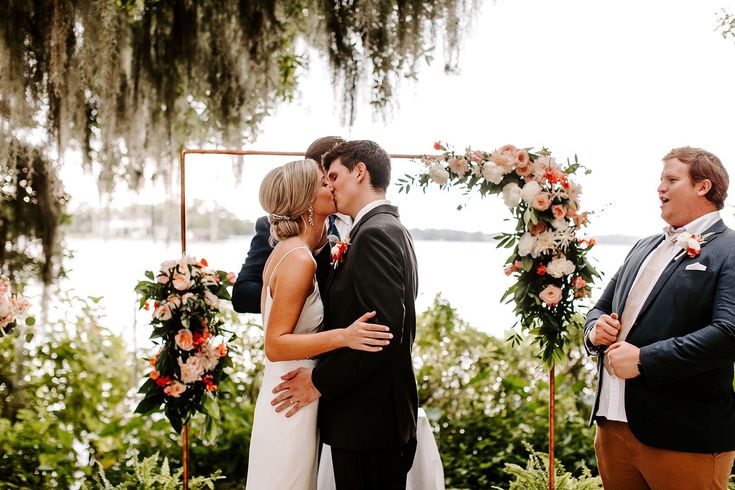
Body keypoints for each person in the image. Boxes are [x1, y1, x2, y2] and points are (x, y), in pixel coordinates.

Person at [271, 140, 419, 490]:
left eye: (334, 175)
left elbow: (380, 335)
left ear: (360, 172)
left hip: (369, 421)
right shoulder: (382, 229)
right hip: (369, 419)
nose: (330, 184)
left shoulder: (374, 235)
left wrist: (318, 383)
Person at [584, 147, 735, 489]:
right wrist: (595, 331)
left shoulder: (730, 249)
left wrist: (644, 360)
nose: (660, 188)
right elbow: (598, 309)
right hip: (613, 430)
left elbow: (729, 333)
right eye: (660, 180)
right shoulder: (642, 245)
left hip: (684, 436)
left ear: (703, 187)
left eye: (671, 179)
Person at [246, 159, 393, 490]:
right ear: (305, 200)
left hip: (292, 394)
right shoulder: (298, 259)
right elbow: (275, 345)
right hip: (290, 399)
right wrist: (345, 336)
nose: (331, 186)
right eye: (322, 183)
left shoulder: (294, 251)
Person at [231, 136, 351, 314]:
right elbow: (242, 296)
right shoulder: (273, 226)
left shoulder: (357, 223)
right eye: (335, 175)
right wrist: (297, 293)